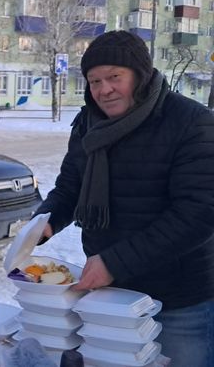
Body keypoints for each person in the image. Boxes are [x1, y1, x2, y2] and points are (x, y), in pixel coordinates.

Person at [35, 30, 214, 366]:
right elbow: (71, 185)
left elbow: (199, 213)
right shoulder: (88, 124)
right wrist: (44, 221)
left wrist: (115, 262)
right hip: (110, 296)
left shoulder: (191, 122)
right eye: (94, 81)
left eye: (114, 77)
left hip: (178, 300)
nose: (104, 90)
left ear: (140, 75)